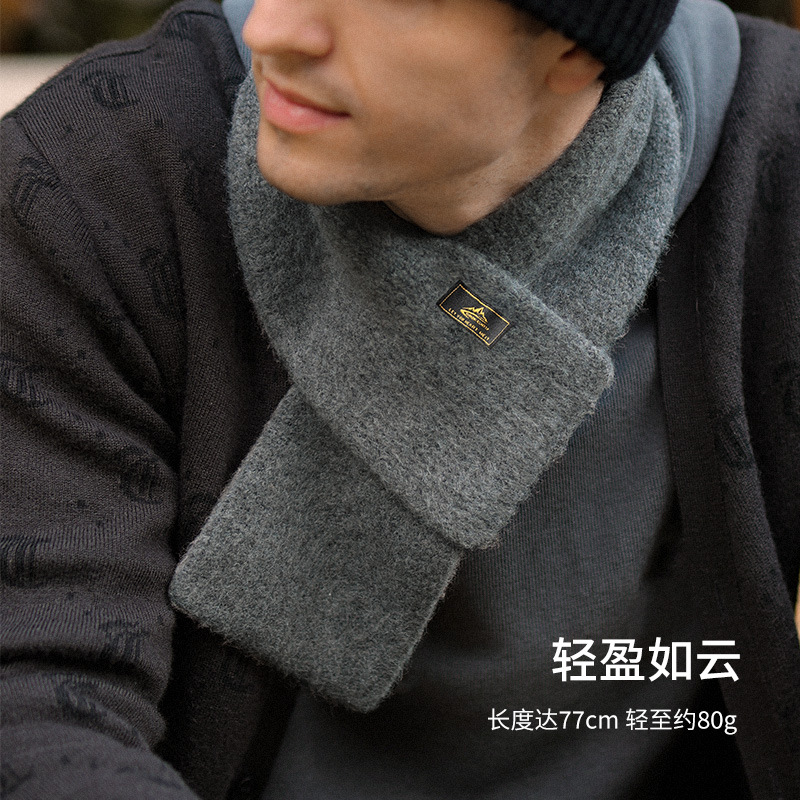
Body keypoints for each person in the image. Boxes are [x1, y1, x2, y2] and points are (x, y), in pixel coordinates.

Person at [2, 0, 799, 797]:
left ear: (576, 50)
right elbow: (34, 705)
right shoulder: (88, 178)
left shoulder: (774, 170)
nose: (272, 28)